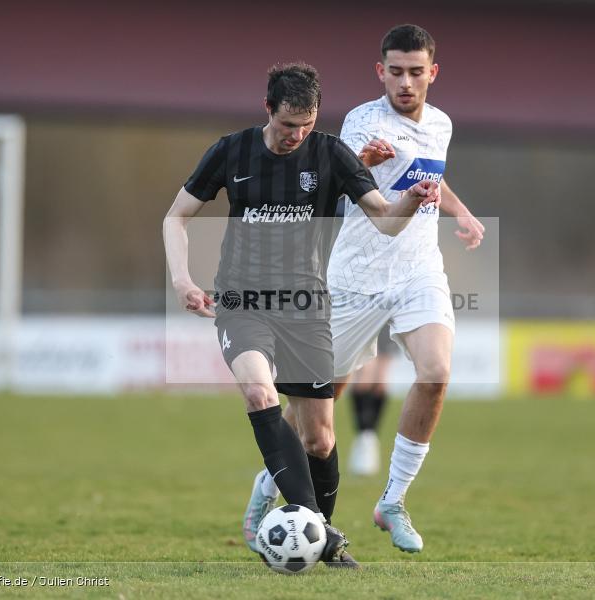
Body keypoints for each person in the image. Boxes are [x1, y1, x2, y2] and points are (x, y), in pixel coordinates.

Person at [164, 62, 441, 568]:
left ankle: (317, 534)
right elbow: (176, 216)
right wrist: (182, 279)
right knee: (258, 391)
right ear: (268, 109)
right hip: (243, 302)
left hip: (308, 306)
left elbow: (384, 219)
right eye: (289, 124)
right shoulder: (231, 150)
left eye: (307, 124)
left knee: (319, 438)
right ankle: (324, 535)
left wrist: (410, 199)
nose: (297, 135)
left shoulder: (331, 152)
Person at [253, 24, 485, 554]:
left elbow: (430, 173)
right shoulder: (363, 120)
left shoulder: (442, 124)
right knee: (316, 406)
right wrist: (366, 164)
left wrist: (461, 211)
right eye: (396, 72)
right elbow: (334, 174)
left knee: (436, 371)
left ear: (433, 73)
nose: (406, 82)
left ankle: (393, 501)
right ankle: (267, 484)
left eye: (416, 72)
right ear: (381, 72)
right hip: (354, 278)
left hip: (418, 270)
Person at [347, 328, 398, 476]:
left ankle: (370, 437)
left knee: (381, 381)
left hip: (387, 318)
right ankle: (363, 434)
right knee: (364, 375)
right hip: (364, 316)